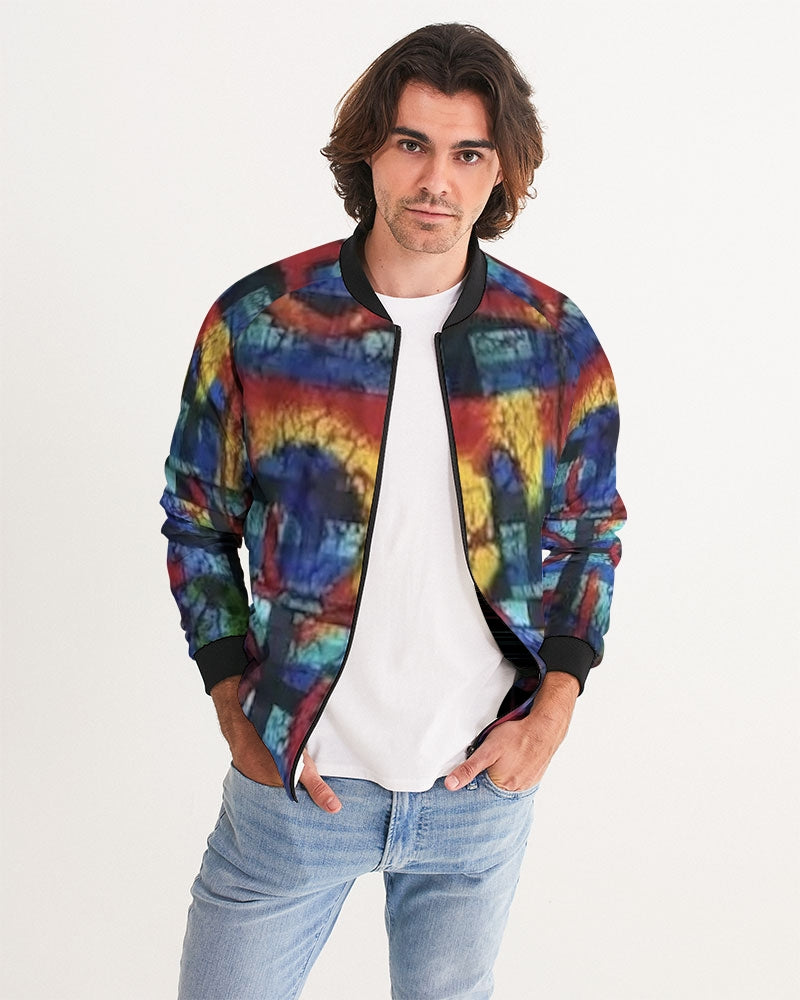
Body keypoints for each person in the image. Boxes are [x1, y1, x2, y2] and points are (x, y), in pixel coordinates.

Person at [160, 21, 626, 1000]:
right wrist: (235, 706)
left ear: (500, 172)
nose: (435, 181)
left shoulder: (551, 340)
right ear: (370, 149)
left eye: (468, 154)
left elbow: (591, 532)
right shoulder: (261, 322)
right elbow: (197, 521)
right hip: (299, 783)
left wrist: (550, 713)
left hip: (477, 790)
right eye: (412, 143)